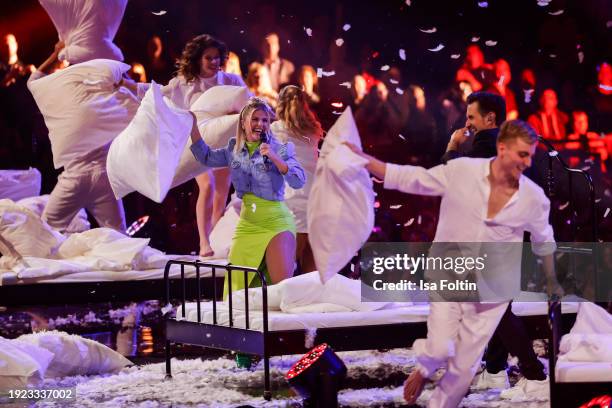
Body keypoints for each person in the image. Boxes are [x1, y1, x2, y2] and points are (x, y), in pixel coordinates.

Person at [344, 120, 560, 407]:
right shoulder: (463, 172)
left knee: (462, 370)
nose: (527, 161)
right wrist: (368, 161)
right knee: (439, 347)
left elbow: (544, 240)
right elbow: (415, 178)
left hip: (492, 284)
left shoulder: (533, 198)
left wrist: (552, 279)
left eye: (530, 155)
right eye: (521, 154)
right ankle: (426, 370)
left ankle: (496, 380)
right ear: (502, 148)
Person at [124, 34, 247, 257]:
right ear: (197, 59)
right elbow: (155, 93)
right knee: (207, 187)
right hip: (196, 142)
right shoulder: (184, 83)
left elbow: (246, 103)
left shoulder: (231, 81)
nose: (214, 62)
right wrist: (126, 85)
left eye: (217, 58)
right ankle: (204, 242)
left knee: (221, 190)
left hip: (224, 142)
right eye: (209, 57)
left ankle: (216, 236)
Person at [189, 97, 305, 297]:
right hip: (248, 224)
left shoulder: (282, 148)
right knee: (236, 291)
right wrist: (193, 129)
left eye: (265, 120)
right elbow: (205, 157)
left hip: (276, 221)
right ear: (243, 123)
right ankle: (241, 327)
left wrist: (275, 158)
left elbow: (298, 180)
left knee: (281, 289)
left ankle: (285, 327)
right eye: (255, 119)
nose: (260, 124)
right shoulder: (233, 150)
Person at [29, 41, 126, 232]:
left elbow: (34, 80)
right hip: (104, 178)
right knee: (119, 236)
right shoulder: (103, 93)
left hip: (74, 178)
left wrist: (56, 54)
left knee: (47, 233)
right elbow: (129, 87)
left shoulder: (59, 97)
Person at [271, 85, 323, 273]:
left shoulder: (275, 130)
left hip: (292, 198)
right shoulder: (314, 129)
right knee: (313, 269)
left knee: (288, 263)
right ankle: (314, 300)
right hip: (315, 199)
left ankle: (289, 300)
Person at [441, 91, 506, 163]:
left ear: (490, 118)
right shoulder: (504, 144)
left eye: (471, 117)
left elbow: (451, 169)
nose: (467, 124)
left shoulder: (486, 147)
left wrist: (453, 143)